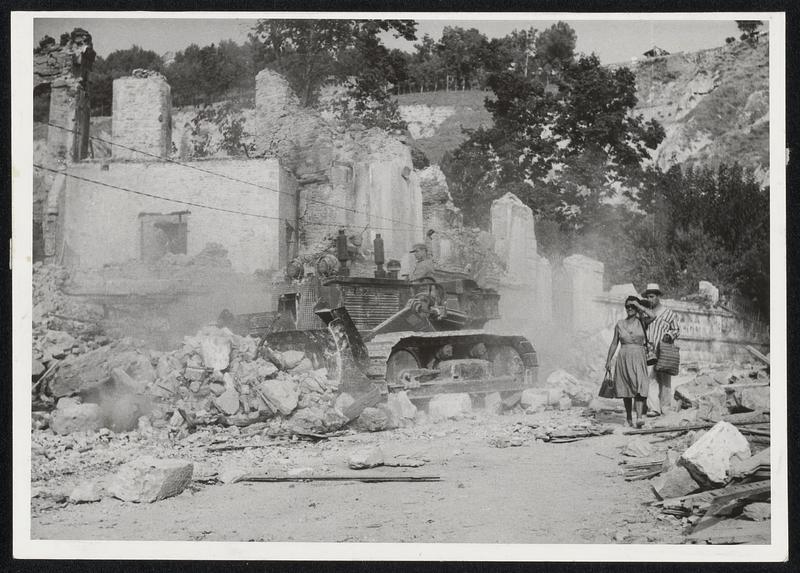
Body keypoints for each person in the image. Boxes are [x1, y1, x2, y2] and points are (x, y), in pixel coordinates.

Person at [604, 296, 650, 427]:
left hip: (639, 356)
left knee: (640, 385)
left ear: (636, 308)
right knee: (626, 387)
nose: (630, 308)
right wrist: (608, 361)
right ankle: (629, 417)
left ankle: (639, 417)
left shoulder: (642, 322)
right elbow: (614, 343)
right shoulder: (620, 324)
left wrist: (638, 305)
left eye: (632, 306)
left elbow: (653, 316)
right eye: (627, 306)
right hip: (624, 356)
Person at [638, 283, 681, 416]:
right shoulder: (646, 313)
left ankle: (665, 407)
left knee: (665, 380)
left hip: (664, 350)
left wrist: (669, 335)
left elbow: (676, 329)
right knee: (650, 378)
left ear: (658, 297)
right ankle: (654, 408)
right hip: (649, 351)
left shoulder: (669, 313)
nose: (650, 299)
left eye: (652, 296)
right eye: (648, 297)